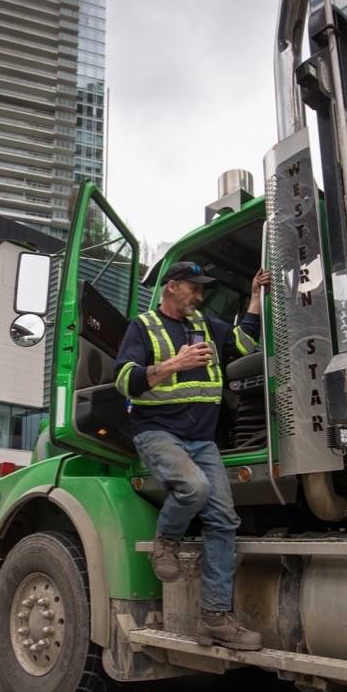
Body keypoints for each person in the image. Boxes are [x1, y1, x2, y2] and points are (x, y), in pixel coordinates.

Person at [115, 260, 269, 650]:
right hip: (158, 433)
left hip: (202, 440)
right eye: (194, 288)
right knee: (194, 488)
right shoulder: (143, 326)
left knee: (223, 520)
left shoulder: (206, 326)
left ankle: (215, 619)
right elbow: (124, 380)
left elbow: (244, 344)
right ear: (171, 287)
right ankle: (167, 539)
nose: (200, 296)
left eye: (202, 290)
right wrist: (174, 364)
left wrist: (254, 299)